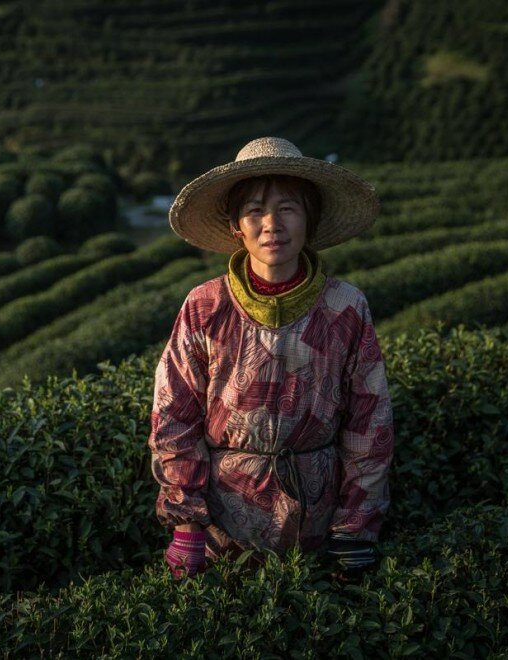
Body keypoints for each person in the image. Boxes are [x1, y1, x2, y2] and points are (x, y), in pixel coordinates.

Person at [148, 136, 395, 582]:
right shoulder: (204, 306)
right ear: (236, 227)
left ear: (309, 219)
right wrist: (187, 522)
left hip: (319, 524)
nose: (271, 225)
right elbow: (174, 415)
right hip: (226, 531)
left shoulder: (345, 307)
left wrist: (357, 529)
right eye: (255, 211)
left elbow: (369, 422)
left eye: (287, 208)